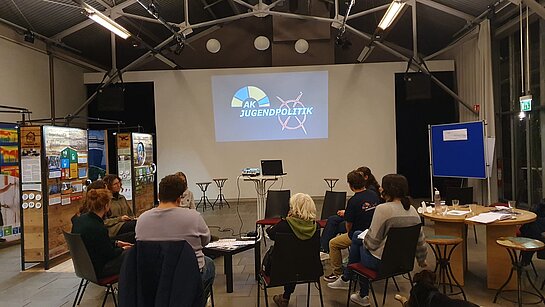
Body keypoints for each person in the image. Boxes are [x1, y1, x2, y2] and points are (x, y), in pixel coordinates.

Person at [342, 174, 428, 307]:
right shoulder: (413, 211)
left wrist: (363, 240)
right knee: (358, 236)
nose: (380, 188)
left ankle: (356, 287)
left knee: (357, 239)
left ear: (388, 189)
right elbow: (420, 242)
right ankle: (349, 280)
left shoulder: (383, 210)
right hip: (404, 263)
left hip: (381, 264)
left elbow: (372, 243)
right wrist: (422, 261)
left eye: (382, 186)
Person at [135, 175, 214, 301]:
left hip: (154, 278)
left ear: (159, 195)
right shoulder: (193, 217)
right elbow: (206, 241)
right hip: (188, 275)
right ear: (180, 197)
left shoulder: (142, 219)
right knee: (209, 263)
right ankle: (199, 300)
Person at [324, 169, 380, 284]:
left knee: (333, 244)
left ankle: (337, 273)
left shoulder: (353, 201)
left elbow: (349, 224)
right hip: (373, 232)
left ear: (350, 185)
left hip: (359, 234)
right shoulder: (373, 195)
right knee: (334, 222)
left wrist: (349, 234)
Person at [266, 193, 320, 307]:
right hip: (310, 270)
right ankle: (285, 297)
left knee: (289, 260)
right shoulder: (316, 226)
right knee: (297, 260)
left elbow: (270, 233)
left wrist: (287, 218)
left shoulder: (284, 225)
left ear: (293, 208)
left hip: (280, 270)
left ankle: (284, 298)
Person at [71, 189, 133, 278]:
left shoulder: (80, 220)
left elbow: (98, 242)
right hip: (100, 268)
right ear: (106, 206)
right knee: (133, 253)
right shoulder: (98, 227)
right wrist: (123, 249)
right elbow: (109, 254)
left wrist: (116, 243)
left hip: (84, 266)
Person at [103, 174, 136, 243]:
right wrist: (119, 219)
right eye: (115, 184)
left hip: (125, 223)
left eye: (119, 183)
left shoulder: (122, 198)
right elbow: (104, 222)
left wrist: (132, 218)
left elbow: (130, 214)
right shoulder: (106, 200)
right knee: (134, 225)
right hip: (114, 228)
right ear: (109, 186)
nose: (118, 185)